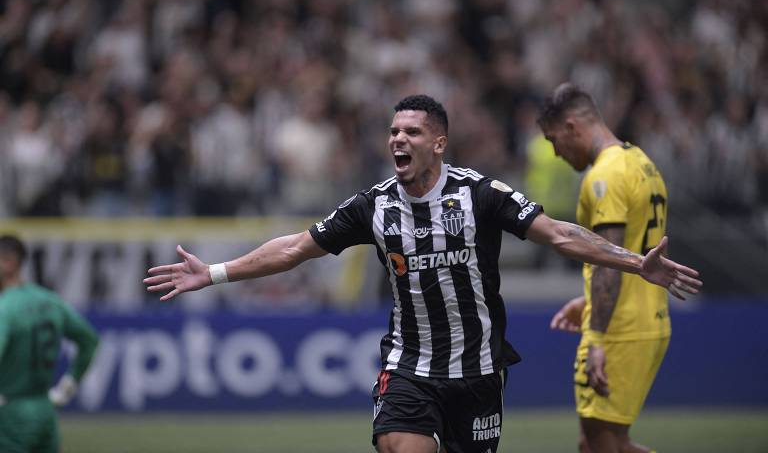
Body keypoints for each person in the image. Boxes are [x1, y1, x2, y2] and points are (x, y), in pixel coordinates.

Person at [144, 94, 701, 453]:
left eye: (411, 131)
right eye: (393, 131)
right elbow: (294, 247)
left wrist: (635, 262)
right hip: (409, 364)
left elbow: (559, 233)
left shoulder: (481, 195)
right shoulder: (374, 205)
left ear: (439, 143)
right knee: (398, 444)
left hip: (479, 371)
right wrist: (214, 273)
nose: (398, 139)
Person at [539, 83, 675, 453]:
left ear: (571, 127)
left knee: (601, 445)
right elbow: (638, 252)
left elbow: (609, 260)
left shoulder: (604, 176)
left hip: (618, 329)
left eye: (554, 140)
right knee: (600, 443)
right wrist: (588, 302)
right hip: (648, 318)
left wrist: (596, 337)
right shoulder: (641, 163)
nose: (556, 152)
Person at [0, 234, 99, 453]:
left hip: (9, 413)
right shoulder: (50, 300)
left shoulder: (5, 307)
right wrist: (67, 387)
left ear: (9, 263)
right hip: (45, 410)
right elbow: (89, 340)